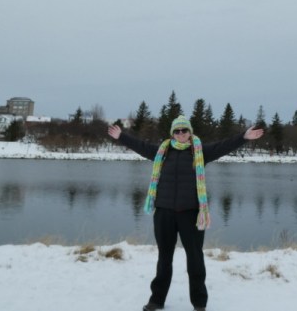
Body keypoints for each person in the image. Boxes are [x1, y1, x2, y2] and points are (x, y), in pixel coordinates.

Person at [107, 115, 264, 311]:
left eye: (184, 131)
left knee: (195, 259)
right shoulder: (162, 152)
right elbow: (141, 146)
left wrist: (244, 137)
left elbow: (223, 146)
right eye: (177, 131)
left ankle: (199, 303)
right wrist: (122, 136)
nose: (181, 134)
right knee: (164, 258)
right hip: (164, 213)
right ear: (172, 133)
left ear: (190, 133)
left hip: (191, 214)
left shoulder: (199, 152)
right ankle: (156, 300)